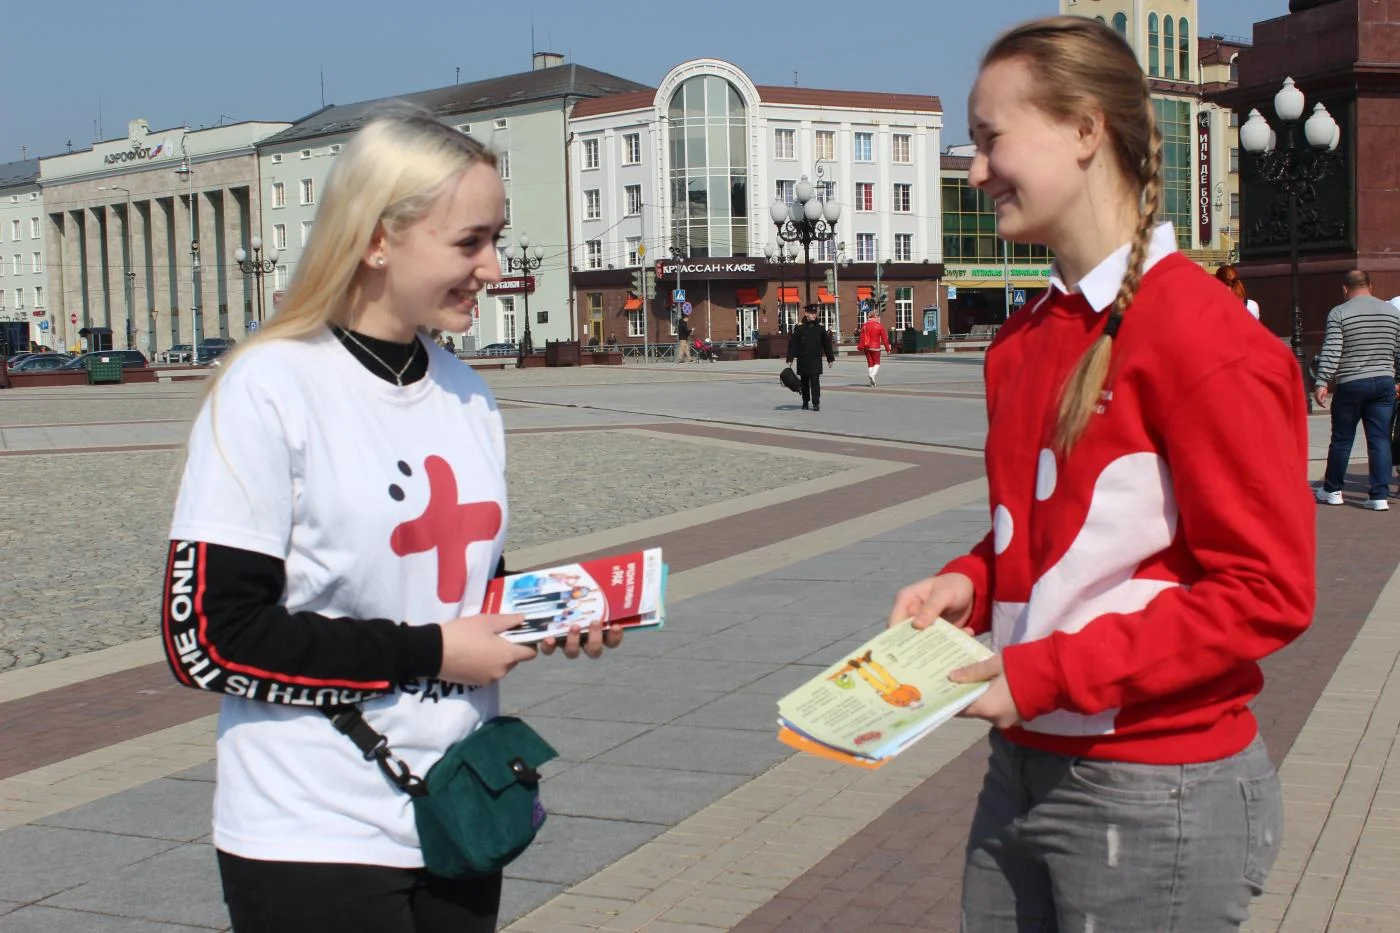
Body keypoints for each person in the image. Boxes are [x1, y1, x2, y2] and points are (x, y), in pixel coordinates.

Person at [886, 17, 1314, 932]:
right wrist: (969, 582)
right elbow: (1058, 534)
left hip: (1157, 784)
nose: (976, 170)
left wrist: (1044, 672)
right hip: (1020, 765)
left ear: (1086, 129)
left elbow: (1266, 590)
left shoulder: (1205, 337)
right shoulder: (1021, 341)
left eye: (992, 139)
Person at [161, 110, 622, 933]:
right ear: (378, 239)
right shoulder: (271, 387)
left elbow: (459, 585)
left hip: (457, 806)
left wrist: (554, 609)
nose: (492, 267)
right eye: (470, 242)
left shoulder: (468, 394)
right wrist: (433, 651)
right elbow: (207, 637)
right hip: (310, 826)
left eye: (496, 239)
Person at [1314, 269, 1400, 509]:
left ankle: (1333, 490)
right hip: (1384, 382)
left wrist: (1322, 381)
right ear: (1370, 286)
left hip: (1351, 383)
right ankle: (1379, 496)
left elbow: (1332, 349)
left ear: (1345, 288)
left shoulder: (1339, 313)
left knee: (1342, 439)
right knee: (1380, 439)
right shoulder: (1392, 313)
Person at [786, 304, 835, 411]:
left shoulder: (820, 328)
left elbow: (826, 344)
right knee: (804, 382)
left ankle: (816, 403)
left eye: (815, 313)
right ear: (806, 314)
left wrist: (830, 358)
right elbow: (793, 344)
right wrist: (790, 358)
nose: (814, 315)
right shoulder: (799, 328)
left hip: (815, 359)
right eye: (811, 313)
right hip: (803, 359)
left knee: (815, 382)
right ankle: (805, 401)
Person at [857, 305, 893, 386]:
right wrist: (888, 349)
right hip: (875, 347)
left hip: (866, 347)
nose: (878, 318)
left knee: (870, 363)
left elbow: (861, 337)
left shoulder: (865, 325)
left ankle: (871, 381)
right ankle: (872, 375)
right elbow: (884, 338)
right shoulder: (879, 326)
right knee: (877, 363)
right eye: (877, 316)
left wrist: (860, 346)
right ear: (875, 317)